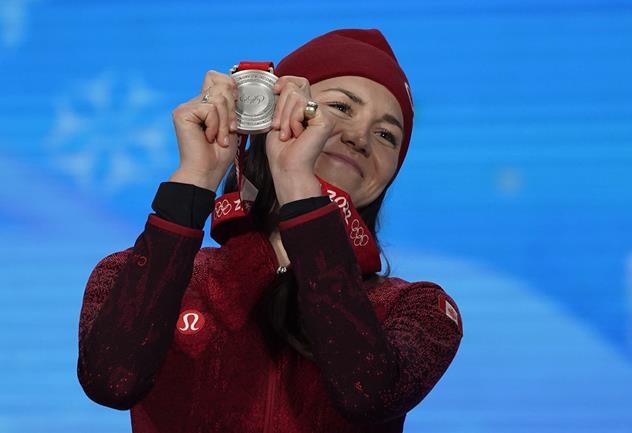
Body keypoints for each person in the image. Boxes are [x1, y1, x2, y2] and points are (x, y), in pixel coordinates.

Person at [77, 28, 463, 433]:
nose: (359, 138)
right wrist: (197, 177)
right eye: (340, 107)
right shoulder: (137, 275)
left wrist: (297, 183)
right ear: (268, 114)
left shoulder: (418, 309)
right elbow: (111, 382)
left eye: (387, 135)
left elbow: (366, 393)